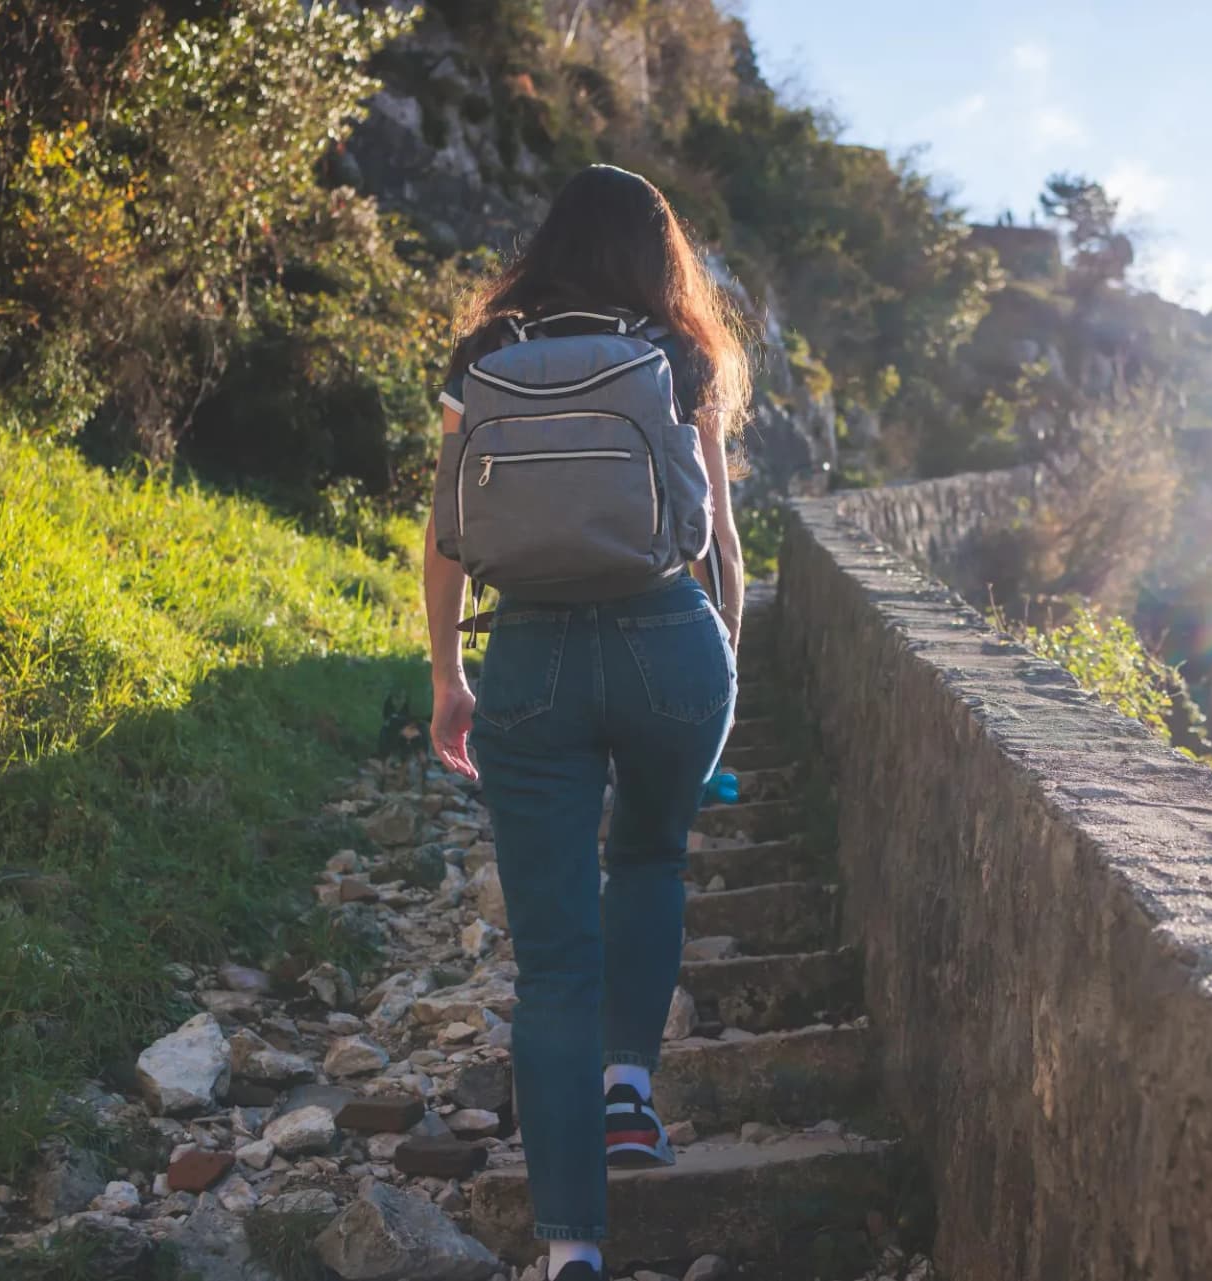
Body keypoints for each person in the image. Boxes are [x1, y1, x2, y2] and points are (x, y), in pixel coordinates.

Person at [423, 164, 750, 1281]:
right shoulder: (677, 354)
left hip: (530, 654)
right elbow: (714, 544)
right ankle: (629, 1093)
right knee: (651, 855)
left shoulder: (488, 358)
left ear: (548, 246)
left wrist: (446, 679)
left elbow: (445, 533)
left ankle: (570, 1249)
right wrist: (726, 671)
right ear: (661, 259)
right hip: (669, 641)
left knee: (553, 964)